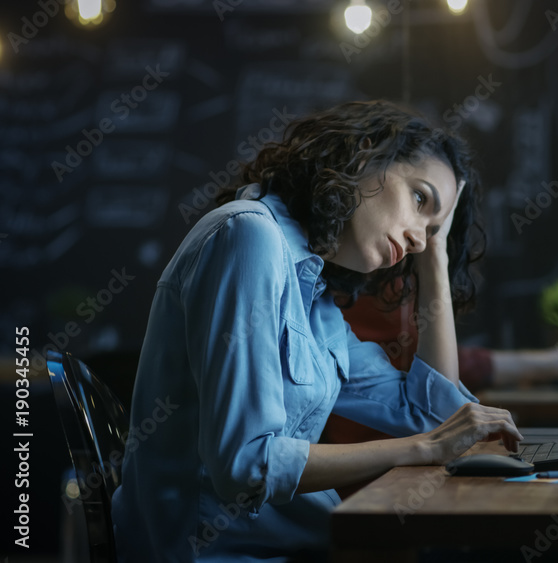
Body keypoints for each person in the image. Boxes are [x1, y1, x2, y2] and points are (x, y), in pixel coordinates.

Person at [111, 100, 523, 562]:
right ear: (366, 155)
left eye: (431, 229)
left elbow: (426, 414)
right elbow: (246, 465)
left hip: (295, 548)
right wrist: (423, 450)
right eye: (419, 198)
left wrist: (437, 255)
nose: (418, 238)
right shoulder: (248, 237)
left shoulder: (316, 297)